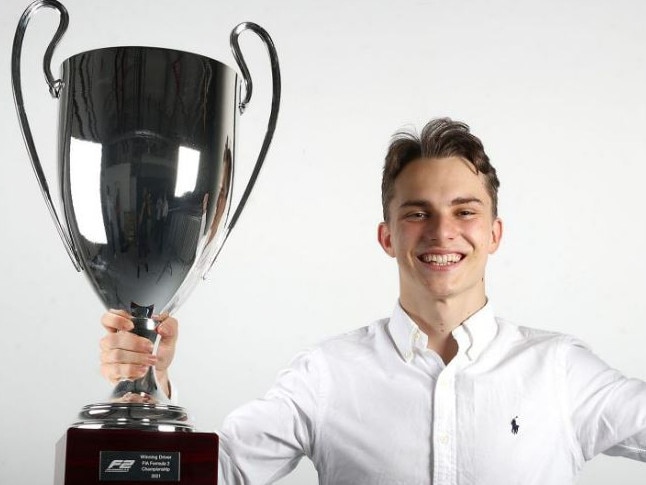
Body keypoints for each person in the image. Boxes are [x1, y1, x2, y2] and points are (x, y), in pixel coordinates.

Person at [100, 118, 646, 484]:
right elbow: (216, 474)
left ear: (495, 233)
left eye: (464, 211)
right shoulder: (326, 375)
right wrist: (149, 389)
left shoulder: (560, 371)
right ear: (387, 236)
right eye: (417, 213)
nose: (441, 232)